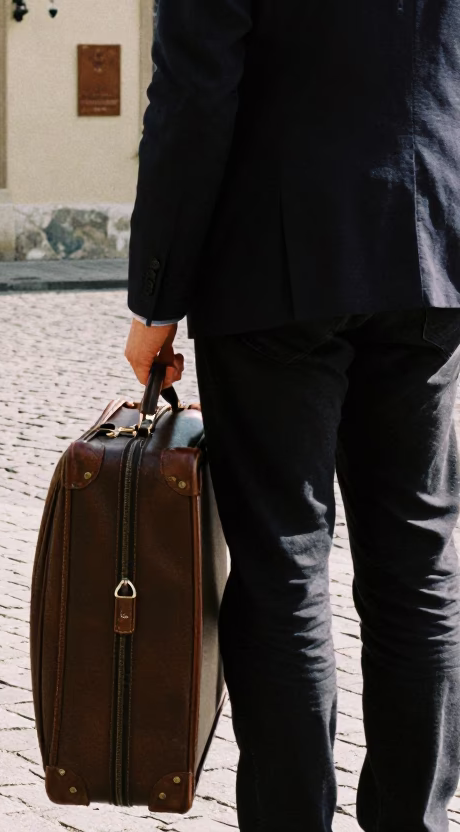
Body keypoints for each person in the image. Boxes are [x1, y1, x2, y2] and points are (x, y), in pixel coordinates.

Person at [123, 0, 460, 828]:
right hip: (430, 248)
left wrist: (157, 301)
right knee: (419, 560)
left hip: (274, 267)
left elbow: (194, 101)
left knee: (282, 561)